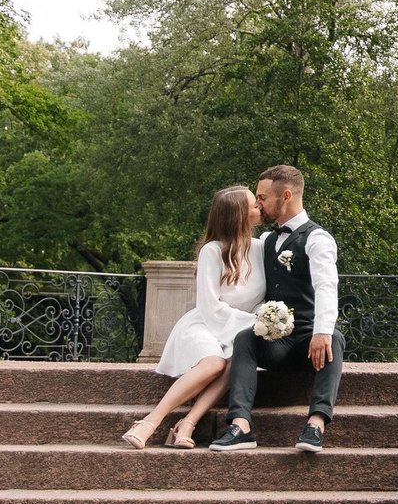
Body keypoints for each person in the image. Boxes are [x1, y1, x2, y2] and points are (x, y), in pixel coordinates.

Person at [208, 163, 341, 453]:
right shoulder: (266, 240)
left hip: (308, 340)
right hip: (276, 340)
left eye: (262, 198)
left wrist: (321, 332)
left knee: (334, 338)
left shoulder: (318, 239)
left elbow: (327, 288)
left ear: (286, 196)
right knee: (245, 338)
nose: (257, 205)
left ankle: (316, 424)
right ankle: (240, 426)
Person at [123, 185, 262, 449]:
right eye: (254, 205)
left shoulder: (261, 248)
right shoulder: (211, 251)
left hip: (238, 329)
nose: (260, 208)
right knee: (213, 365)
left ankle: (187, 423)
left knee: (235, 361)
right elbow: (211, 307)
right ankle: (149, 422)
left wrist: (264, 320)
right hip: (205, 324)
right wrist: (255, 324)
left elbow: (264, 299)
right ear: (239, 215)